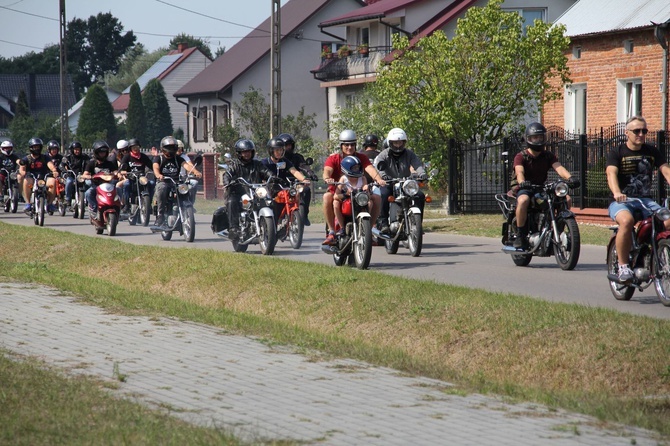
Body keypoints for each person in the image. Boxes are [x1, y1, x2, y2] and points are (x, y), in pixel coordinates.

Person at [606, 115, 670, 282]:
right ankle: (623, 266)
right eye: (636, 131)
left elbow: (666, 171)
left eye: (644, 131)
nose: (641, 134)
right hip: (621, 201)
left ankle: (647, 249)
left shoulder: (652, 152)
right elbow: (611, 173)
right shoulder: (617, 152)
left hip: (645, 201)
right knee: (626, 221)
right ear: (627, 133)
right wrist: (616, 192)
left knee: (667, 219)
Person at [513, 122, 575, 250]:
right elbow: (519, 172)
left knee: (566, 199)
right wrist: (522, 181)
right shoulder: (521, 156)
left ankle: (558, 231)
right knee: (523, 200)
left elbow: (559, 168)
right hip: (526, 188)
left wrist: (570, 178)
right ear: (529, 139)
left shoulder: (547, 156)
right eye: (535, 137)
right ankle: (520, 235)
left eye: (541, 137)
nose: (539, 140)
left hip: (541, 188)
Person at [322, 129, 386, 245]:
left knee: (376, 198)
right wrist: (327, 178)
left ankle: (368, 230)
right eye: (346, 144)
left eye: (352, 144)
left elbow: (370, 169)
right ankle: (332, 231)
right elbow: (327, 170)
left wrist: (379, 179)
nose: (349, 147)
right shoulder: (334, 158)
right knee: (327, 197)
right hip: (339, 193)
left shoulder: (361, 157)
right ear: (341, 145)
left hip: (358, 192)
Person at [374, 128, 427, 234]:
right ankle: (383, 222)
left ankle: (418, 224)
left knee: (420, 196)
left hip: (405, 182)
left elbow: (417, 164)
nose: (398, 145)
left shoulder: (409, 154)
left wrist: (422, 174)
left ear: (404, 142)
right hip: (389, 182)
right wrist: (384, 176)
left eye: (400, 142)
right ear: (390, 143)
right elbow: (378, 167)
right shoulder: (384, 154)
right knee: (384, 194)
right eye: (395, 142)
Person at [222, 139, 275, 240]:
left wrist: (272, 176)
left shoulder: (257, 164)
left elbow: (266, 171)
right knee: (231, 201)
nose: (247, 154)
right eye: (244, 152)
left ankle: (273, 227)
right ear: (239, 153)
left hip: (255, 192)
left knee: (270, 201)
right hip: (238, 192)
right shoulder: (235, 164)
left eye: (249, 151)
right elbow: (227, 174)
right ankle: (234, 228)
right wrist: (227, 181)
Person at [152, 136, 202, 227]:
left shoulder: (178, 158)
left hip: (176, 182)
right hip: (164, 181)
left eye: (172, 147)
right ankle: (161, 215)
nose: (170, 150)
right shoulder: (159, 158)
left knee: (188, 188)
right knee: (161, 188)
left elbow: (186, 166)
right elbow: (155, 167)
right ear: (163, 149)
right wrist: (158, 175)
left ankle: (187, 211)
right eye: (168, 148)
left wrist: (195, 171)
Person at [262, 137, 310, 218]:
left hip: (282, 187)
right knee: (270, 204)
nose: (279, 152)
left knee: (294, 194)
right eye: (277, 150)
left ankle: (294, 215)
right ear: (271, 151)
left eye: (281, 150)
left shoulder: (284, 161)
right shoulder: (264, 162)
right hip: (269, 188)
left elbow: (294, 171)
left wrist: (304, 179)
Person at [278, 132, 317, 226]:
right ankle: (275, 216)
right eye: (286, 145)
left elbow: (304, 166)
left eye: (290, 145)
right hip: (280, 183)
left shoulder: (297, 157)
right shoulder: (277, 158)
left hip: (295, 182)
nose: (289, 147)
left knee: (306, 189)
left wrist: (311, 173)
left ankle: (304, 214)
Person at [18, 137, 59, 213]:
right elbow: (22, 167)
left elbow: (50, 164)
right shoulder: (27, 158)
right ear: (31, 148)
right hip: (32, 179)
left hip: (44, 179)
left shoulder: (45, 157)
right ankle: (28, 203)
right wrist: (22, 172)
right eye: (35, 147)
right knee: (26, 181)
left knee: (52, 182)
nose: (36, 149)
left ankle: (50, 204)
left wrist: (54, 170)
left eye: (38, 147)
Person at [81, 140, 119, 219]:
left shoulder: (110, 163)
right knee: (88, 193)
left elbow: (116, 172)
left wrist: (117, 174)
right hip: (96, 186)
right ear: (96, 153)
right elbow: (85, 174)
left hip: (109, 186)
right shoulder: (91, 163)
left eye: (104, 152)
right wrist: (90, 177)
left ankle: (118, 210)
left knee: (119, 190)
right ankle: (94, 209)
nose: (102, 154)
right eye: (100, 152)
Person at [333, 156, 369, 235]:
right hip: (348, 200)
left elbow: (366, 189)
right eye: (355, 168)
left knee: (371, 202)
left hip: (360, 200)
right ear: (347, 168)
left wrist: (365, 188)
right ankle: (342, 228)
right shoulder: (343, 179)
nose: (357, 169)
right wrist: (346, 194)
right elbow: (336, 196)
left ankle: (368, 226)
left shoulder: (362, 178)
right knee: (335, 203)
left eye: (358, 167)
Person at [118, 138, 155, 214]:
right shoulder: (127, 157)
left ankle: (149, 204)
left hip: (141, 178)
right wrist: (123, 171)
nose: (135, 149)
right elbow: (121, 168)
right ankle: (126, 205)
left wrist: (156, 171)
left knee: (151, 183)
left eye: (137, 147)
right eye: (133, 147)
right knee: (127, 184)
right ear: (130, 149)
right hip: (131, 178)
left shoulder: (143, 157)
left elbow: (152, 166)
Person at [60, 141, 90, 209]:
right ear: (72, 150)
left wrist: (88, 172)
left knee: (89, 183)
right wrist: (66, 171)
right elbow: (61, 165)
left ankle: (89, 199)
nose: (77, 151)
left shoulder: (85, 157)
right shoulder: (68, 157)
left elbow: (89, 164)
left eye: (78, 149)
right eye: (75, 149)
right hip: (71, 175)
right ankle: (68, 199)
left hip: (82, 176)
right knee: (69, 182)